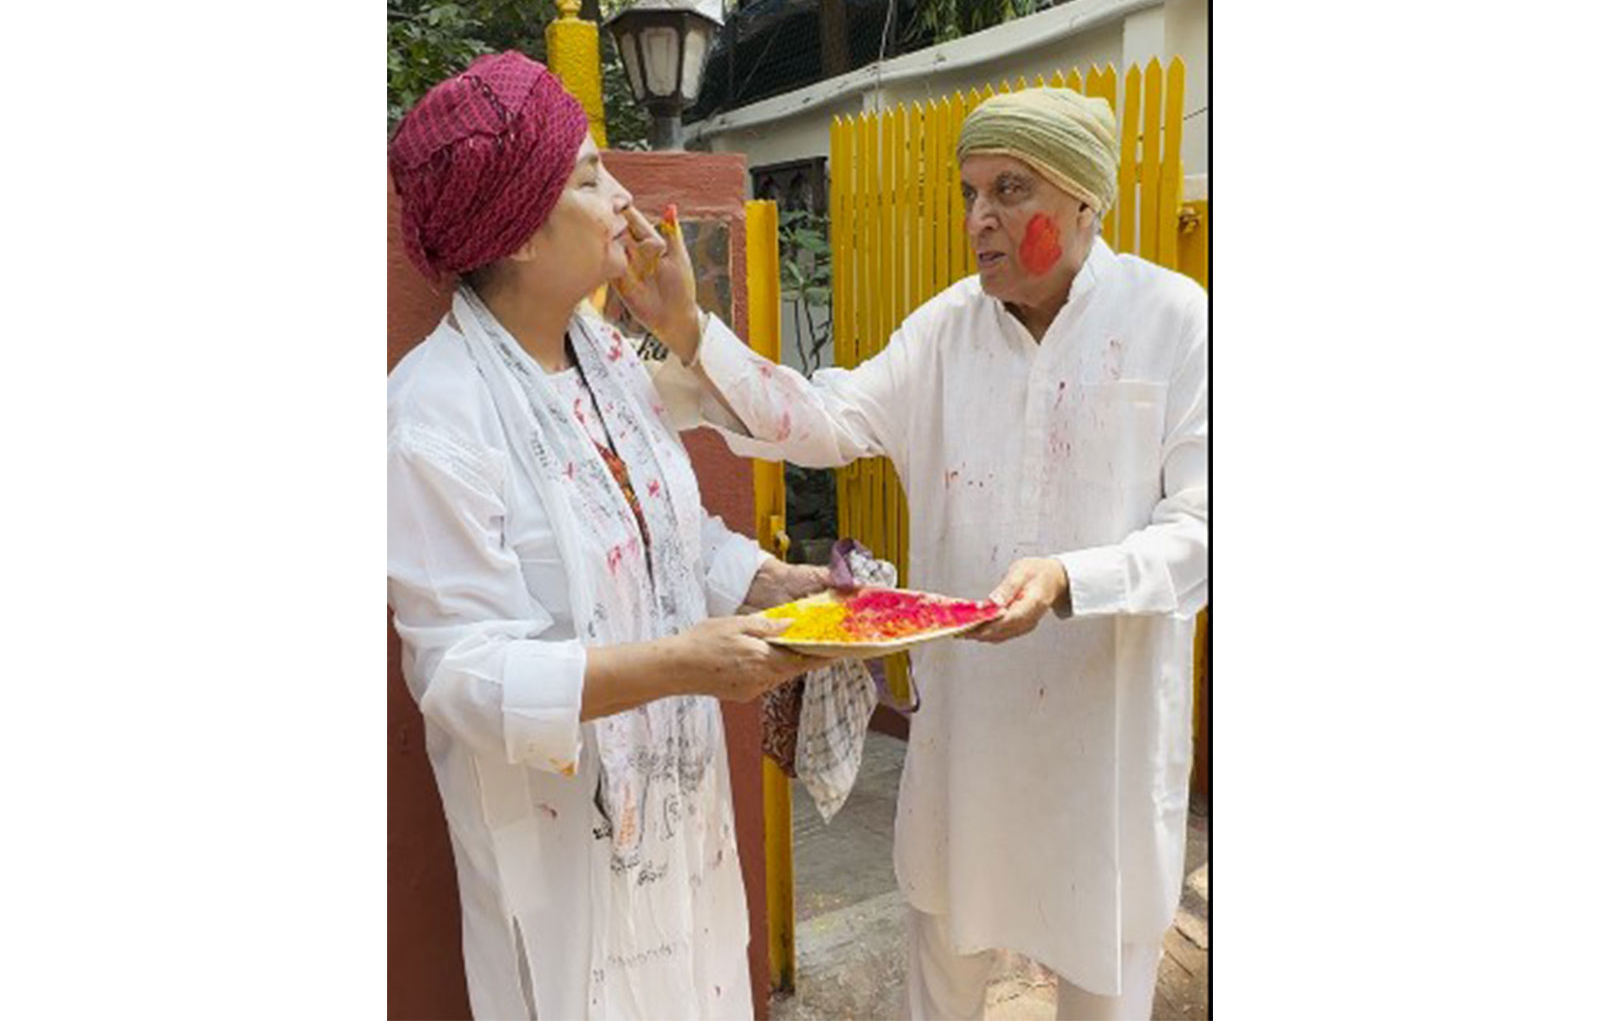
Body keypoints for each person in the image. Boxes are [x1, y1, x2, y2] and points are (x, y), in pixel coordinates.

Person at [630, 86, 1208, 1020]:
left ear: (1084, 202)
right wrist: (692, 333)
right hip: (969, 734)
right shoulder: (946, 330)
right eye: (971, 193)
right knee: (943, 957)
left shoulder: (1175, 320)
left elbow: (1206, 530)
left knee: (1105, 973)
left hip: (1105, 730)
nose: (980, 219)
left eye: (1010, 191)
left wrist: (1071, 577)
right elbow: (825, 418)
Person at [386, 51, 829, 1020]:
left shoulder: (607, 363)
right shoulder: (436, 412)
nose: (623, 195)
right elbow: (461, 674)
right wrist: (679, 663)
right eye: (588, 176)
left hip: (673, 813)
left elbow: (662, 535)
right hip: (559, 844)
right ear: (516, 234)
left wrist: (764, 582)